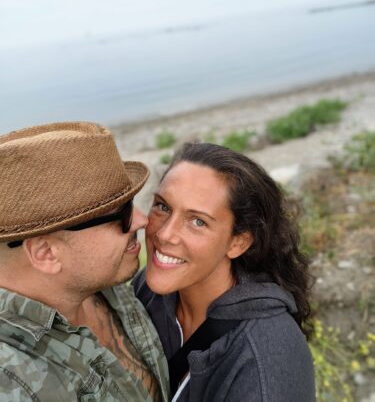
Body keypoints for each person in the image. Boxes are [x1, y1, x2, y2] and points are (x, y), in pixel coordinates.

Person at [0, 121, 169, 401]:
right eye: (121, 214)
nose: (142, 220)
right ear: (46, 253)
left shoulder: (100, 279)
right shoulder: (12, 381)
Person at [134, 142, 316, 401]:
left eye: (198, 221)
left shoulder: (266, 356)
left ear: (238, 242)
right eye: (163, 206)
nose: (164, 234)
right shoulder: (149, 291)